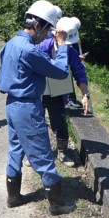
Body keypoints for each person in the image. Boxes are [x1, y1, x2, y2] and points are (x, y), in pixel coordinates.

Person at [0, 0, 76, 216]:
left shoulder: (11, 44)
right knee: (42, 153)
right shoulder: (29, 50)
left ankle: (13, 197)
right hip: (27, 107)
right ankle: (57, 204)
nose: (48, 35)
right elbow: (61, 72)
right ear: (39, 25)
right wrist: (61, 46)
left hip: (12, 105)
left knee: (15, 150)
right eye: (48, 30)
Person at [37, 16, 90, 168]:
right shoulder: (42, 47)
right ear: (56, 35)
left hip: (57, 92)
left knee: (59, 122)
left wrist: (85, 95)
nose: (66, 46)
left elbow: (79, 73)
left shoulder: (71, 52)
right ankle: (37, 153)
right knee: (37, 121)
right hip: (40, 91)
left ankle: (62, 152)